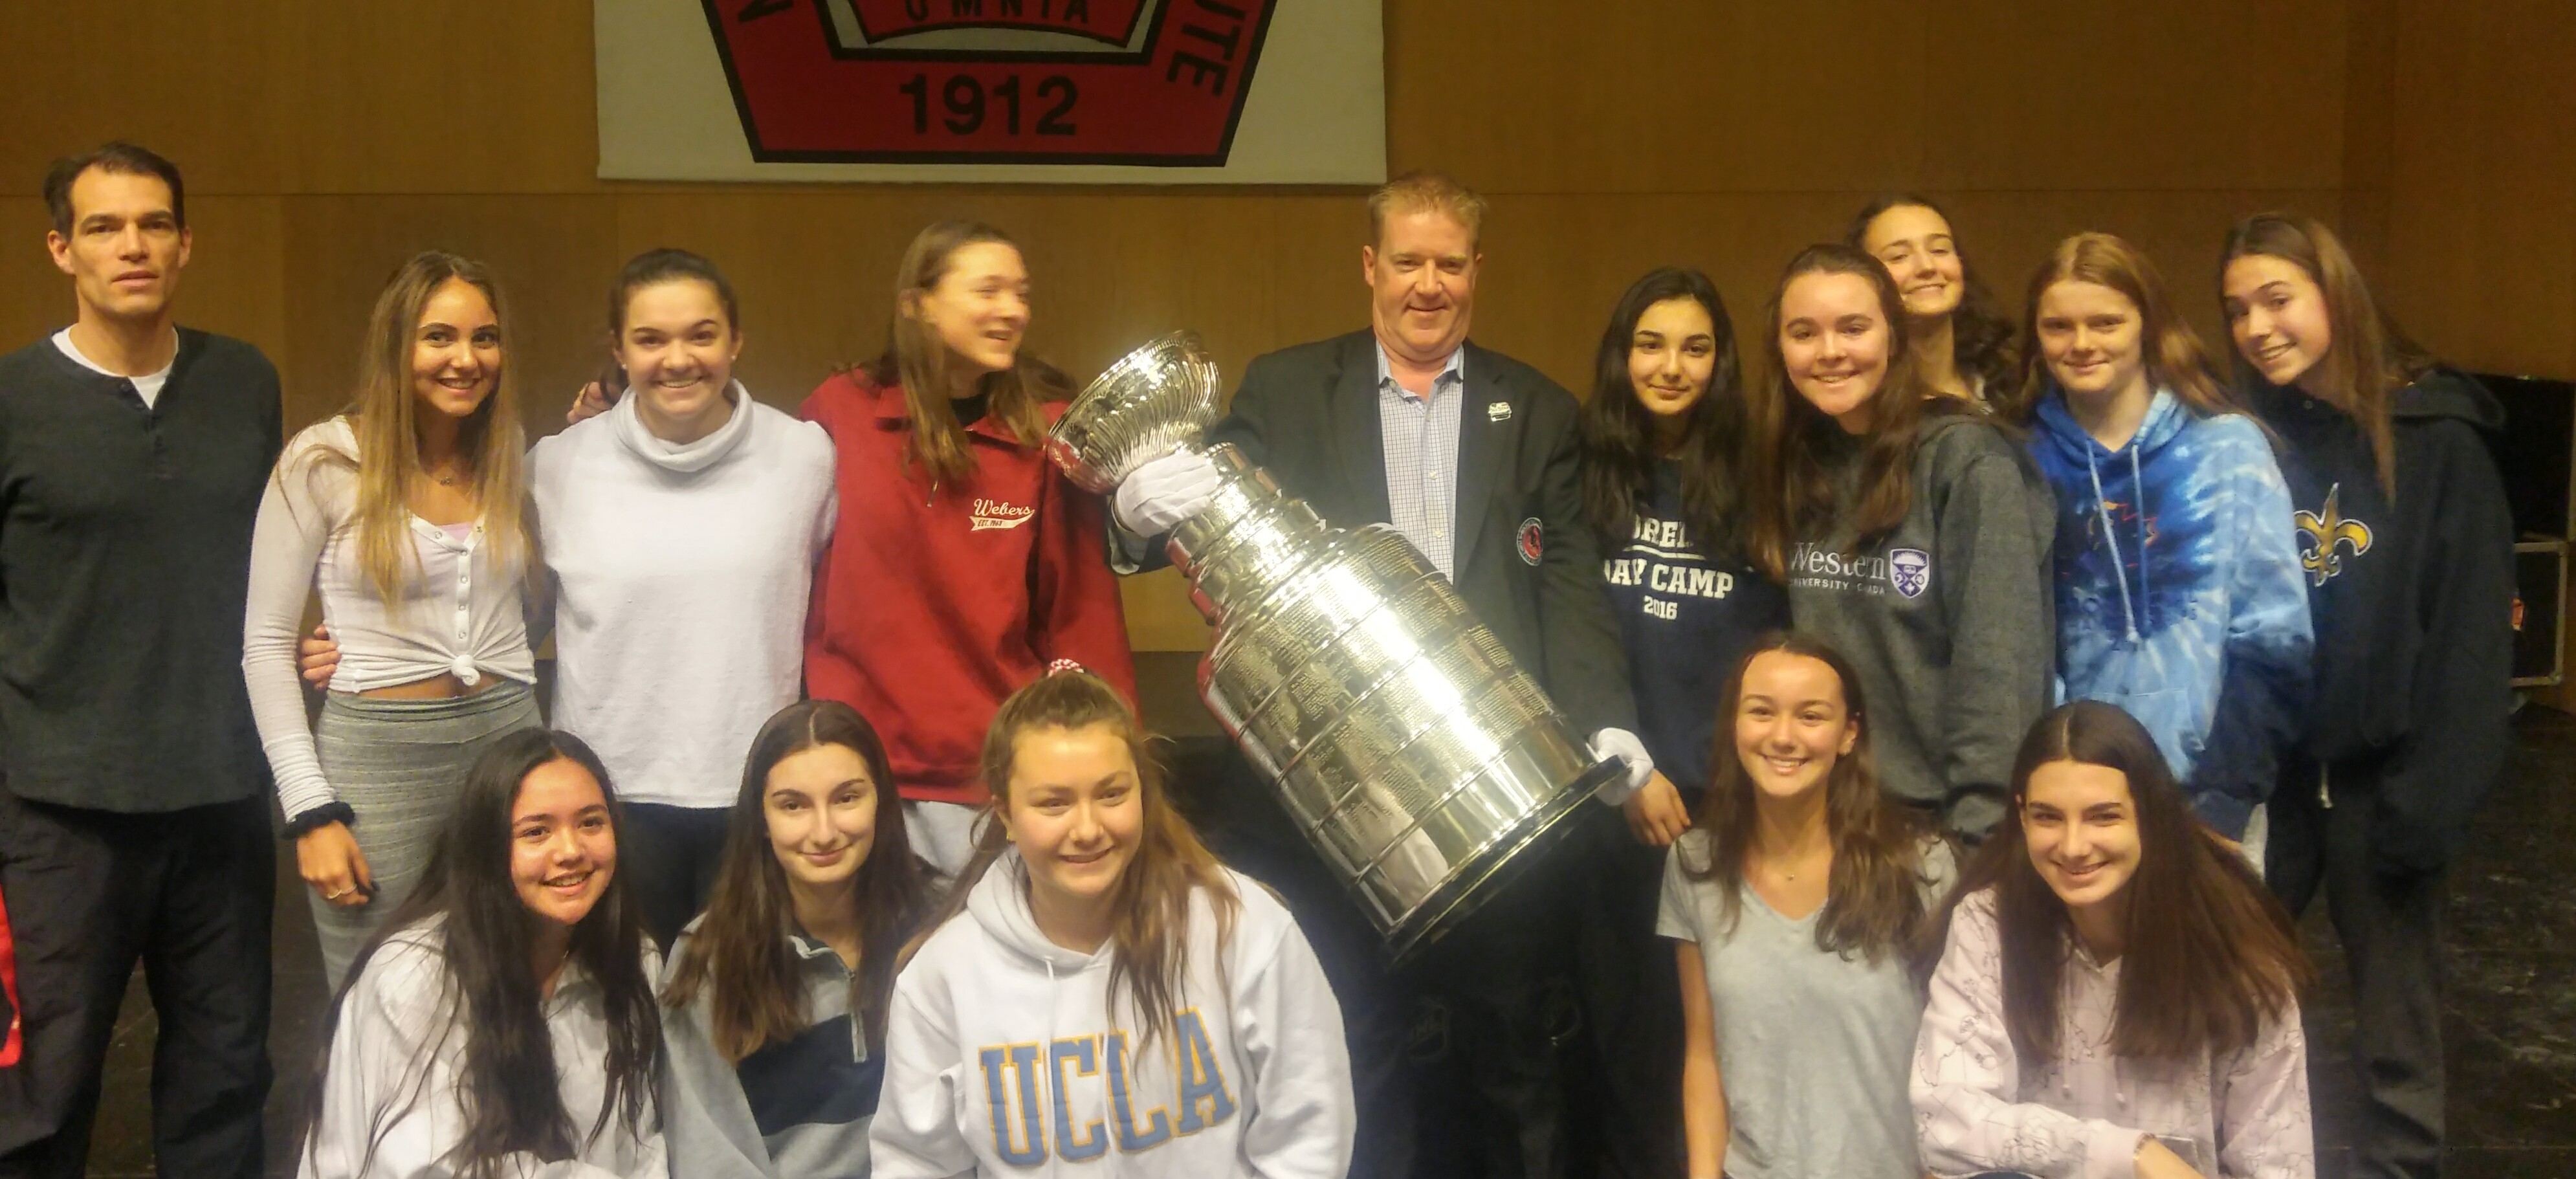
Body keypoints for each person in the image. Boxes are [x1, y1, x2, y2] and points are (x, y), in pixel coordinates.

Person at [1109, 170, 1648, 1179]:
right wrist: (1134, 511)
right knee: (1351, 1049)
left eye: (1450, 263)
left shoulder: (1534, 408)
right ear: (1370, 265)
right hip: (1333, 801)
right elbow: (1184, 518)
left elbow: (1570, 587)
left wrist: (1608, 720)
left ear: (1477, 270)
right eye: (1408, 261)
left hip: (1497, 799)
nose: (1428, 284)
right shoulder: (1282, 388)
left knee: (1514, 1057)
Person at [0, 142, 281, 1179]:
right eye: (106, 227)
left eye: (154, 223)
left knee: (225, 1081)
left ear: (185, 242)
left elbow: (278, 560)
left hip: (221, 795)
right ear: (61, 248)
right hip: (60, 810)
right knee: (47, 1091)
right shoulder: (13, 398)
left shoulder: (245, 381)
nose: (134, 245)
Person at [2221, 212, 2514, 1179]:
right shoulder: (2251, 439)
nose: (2258, 326)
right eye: (2237, 309)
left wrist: (2428, 801)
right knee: (2223, 994)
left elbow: (2471, 636)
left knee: (2395, 1033)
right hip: (2278, 777)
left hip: (2385, 780)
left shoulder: (2436, 440)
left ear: (2334, 295)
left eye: (2278, 299)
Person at [868, 670, 1355, 1178]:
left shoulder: (1241, 929)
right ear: (1006, 815)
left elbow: (1310, 1134)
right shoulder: (942, 978)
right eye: (1053, 803)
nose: (1087, 829)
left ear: (1142, 794)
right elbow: (914, 1162)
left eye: (1111, 794)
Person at [797, 221, 1138, 879]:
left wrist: (1116, 756)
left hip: (990, 777)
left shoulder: (1046, 431)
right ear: (916, 303)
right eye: (989, 291)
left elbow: (1081, 611)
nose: (1013, 310)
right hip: (857, 775)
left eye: (1021, 293)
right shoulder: (841, 413)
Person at [243, 252, 542, 986]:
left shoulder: (511, 457)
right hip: (376, 764)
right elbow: (263, 647)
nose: (466, 359)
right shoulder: (324, 460)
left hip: (509, 747)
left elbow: (532, 613)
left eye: (486, 338)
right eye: (439, 337)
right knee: (376, 997)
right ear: (396, 345)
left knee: (513, 985)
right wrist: (311, 810)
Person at [533, 248, 838, 947]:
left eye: (701, 335)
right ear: (618, 350)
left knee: (742, 1015)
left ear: (736, 340)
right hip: (607, 798)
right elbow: (497, 613)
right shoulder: (556, 467)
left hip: (758, 791)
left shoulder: (806, 459)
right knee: (624, 1014)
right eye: (650, 339)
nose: (678, 359)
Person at [1573, 267, 1790, 1178]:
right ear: (1622, 355)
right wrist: (1627, 771)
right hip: (1611, 794)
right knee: (1621, 1030)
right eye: (1651, 344)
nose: (1671, 366)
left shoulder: (1759, 472)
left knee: (1720, 1027)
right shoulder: (1583, 466)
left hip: (1723, 802)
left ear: (1721, 359)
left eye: (1695, 346)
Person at [1913, 700, 2317, 1179]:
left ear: (2149, 814)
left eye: (2102, 817)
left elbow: (2278, 1165)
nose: (2073, 846)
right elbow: (1944, 1119)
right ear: (2020, 817)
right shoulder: (1987, 922)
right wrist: (2129, 1153)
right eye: (2047, 817)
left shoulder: (2235, 950)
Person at [1741, 243, 2054, 841]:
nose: (1829, 352)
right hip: (1825, 815)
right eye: (1803, 333)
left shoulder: (1965, 461)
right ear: (1780, 351)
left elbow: (1998, 669)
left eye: (1852, 328)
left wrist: (1979, 837)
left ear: (1893, 337)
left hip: (1941, 826)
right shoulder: (1795, 463)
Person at [2012, 232, 2311, 856]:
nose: (2082, 343)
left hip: (2209, 802)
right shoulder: (2018, 459)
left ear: (2146, 324)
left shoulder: (2228, 448)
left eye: (2105, 322)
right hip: (2071, 807)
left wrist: (2224, 801)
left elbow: (2276, 642)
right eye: (2058, 326)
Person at [300, 728, 666, 1179]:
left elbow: (642, 1141)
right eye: (536, 832)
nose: (571, 851)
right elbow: (430, 1167)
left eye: (591, 822)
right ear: (488, 848)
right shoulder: (413, 976)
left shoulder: (635, 959)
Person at [1662, 632, 1952, 1179]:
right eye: (1761, 712)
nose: (1783, 737)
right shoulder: (1693, 863)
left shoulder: (1921, 864)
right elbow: (1702, 1054)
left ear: (1848, 734)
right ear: (1734, 727)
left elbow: (1956, 1058)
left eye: (1811, 716)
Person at [660, 700, 937, 1178]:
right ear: (762, 821)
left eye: (847, 798)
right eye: (793, 806)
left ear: (882, 802)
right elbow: (710, 1152)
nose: (824, 831)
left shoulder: (939, 925)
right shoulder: (708, 955)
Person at [1847, 195, 2018, 407]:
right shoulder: (1856, 402)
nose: (1927, 267)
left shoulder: (2007, 382)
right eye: (1899, 256)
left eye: (1940, 250)